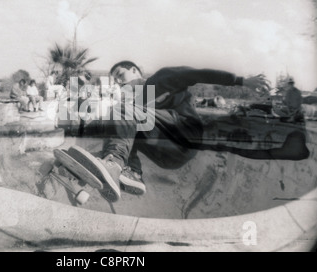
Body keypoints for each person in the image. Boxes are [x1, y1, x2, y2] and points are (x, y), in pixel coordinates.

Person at [67, 61, 273, 202]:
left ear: (135, 71)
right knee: (121, 124)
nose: (120, 83)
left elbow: (200, 74)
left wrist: (242, 81)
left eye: (121, 76)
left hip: (185, 133)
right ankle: (131, 173)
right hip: (168, 157)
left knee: (123, 112)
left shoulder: (162, 78)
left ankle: (114, 164)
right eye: (116, 81)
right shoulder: (135, 103)